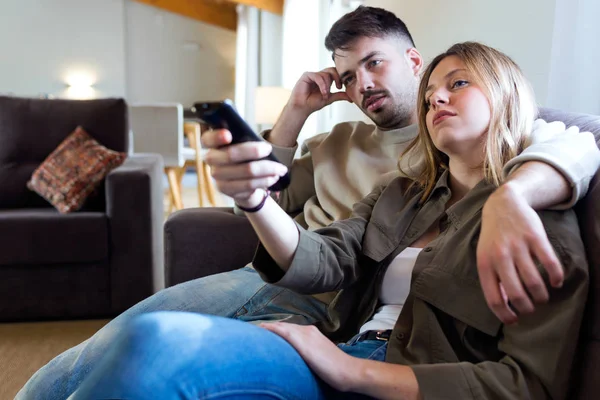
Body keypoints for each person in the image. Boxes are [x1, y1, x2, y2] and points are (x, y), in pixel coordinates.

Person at [18, 7, 599, 400]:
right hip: (314, 304)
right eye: (433, 97)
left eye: (459, 84)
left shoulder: (539, 193)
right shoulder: (396, 185)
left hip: (352, 340)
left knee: (151, 346)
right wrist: (252, 197)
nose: (438, 98)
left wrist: (513, 195)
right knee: (130, 339)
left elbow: (524, 382)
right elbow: (315, 241)